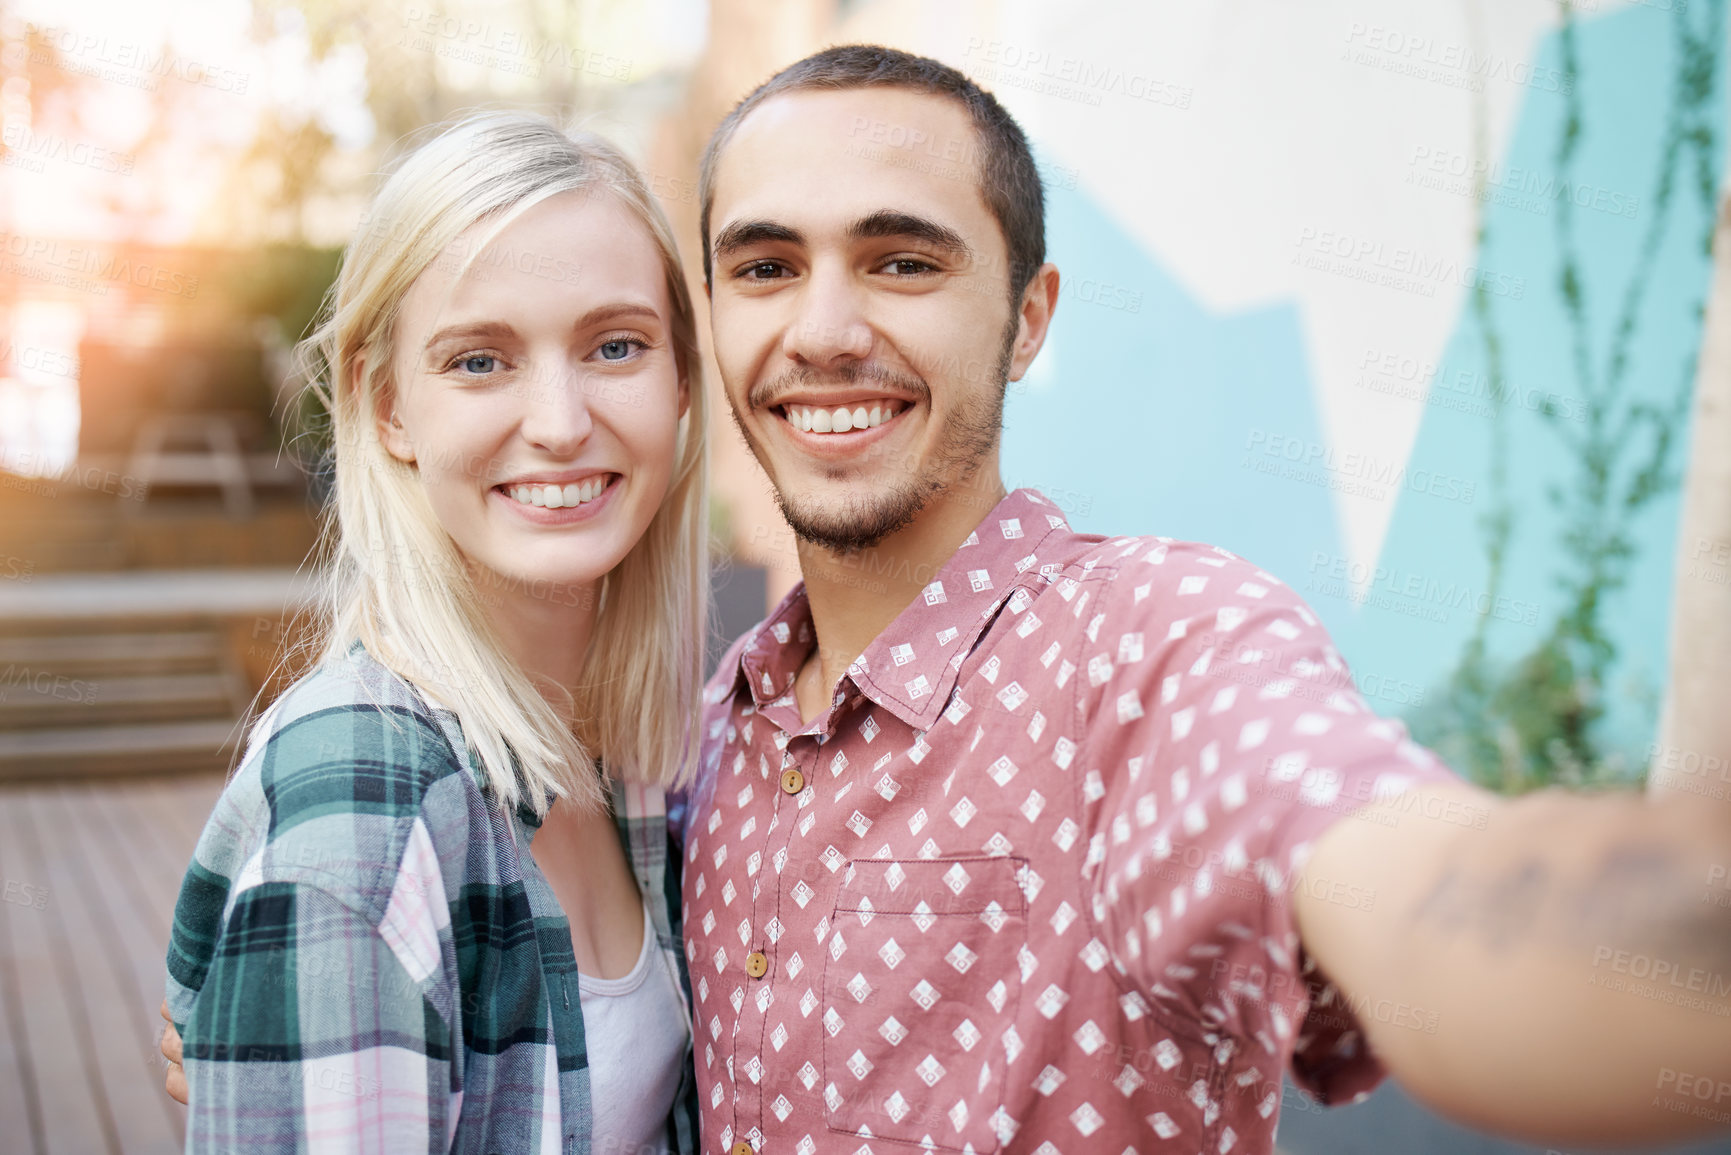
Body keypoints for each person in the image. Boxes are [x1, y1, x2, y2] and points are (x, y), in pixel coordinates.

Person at [679, 45, 1731, 1154]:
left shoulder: (1149, 652)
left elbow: (1403, 890)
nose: (825, 330)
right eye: (765, 269)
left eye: (901, 263)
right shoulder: (710, 733)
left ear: (1027, 319)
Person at [159, 112, 709, 1154]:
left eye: (617, 345)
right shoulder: (362, 823)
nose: (558, 419)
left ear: (681, 380)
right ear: (386, 405)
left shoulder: (628, 753)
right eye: (478, 361)